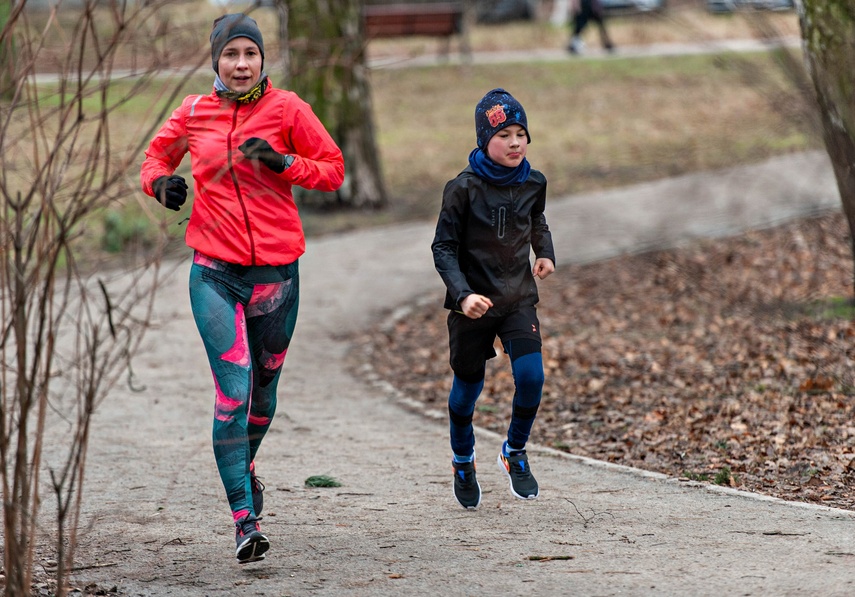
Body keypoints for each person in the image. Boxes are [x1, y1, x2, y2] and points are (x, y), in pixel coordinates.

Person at [140, 13, 344, 563]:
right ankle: (243, 521)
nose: (241, 64)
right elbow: (154, 157)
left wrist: (282, 162)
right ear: (216, 59)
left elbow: (332, 169)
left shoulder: (288, 108)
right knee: (234, 391)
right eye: (230, 54)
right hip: (215, 272)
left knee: (263, 393)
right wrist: (161, 183)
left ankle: (245, 465)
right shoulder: (193, 112)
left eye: (250, 53)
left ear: (261, 59)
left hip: (277, 276)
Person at [431, 88, 556, 510]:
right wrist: (463, 295)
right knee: (468, 391)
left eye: (522, 134)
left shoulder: (534, 182)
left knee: (532, 378)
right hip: (472, 306)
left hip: (517, 298)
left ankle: (514, 451)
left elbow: (537, 219)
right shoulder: (462, 189)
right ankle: (462, 461)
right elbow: (443, 248)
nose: (515, 143)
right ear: (486, 139)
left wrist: (545, 253)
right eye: (504, 135)